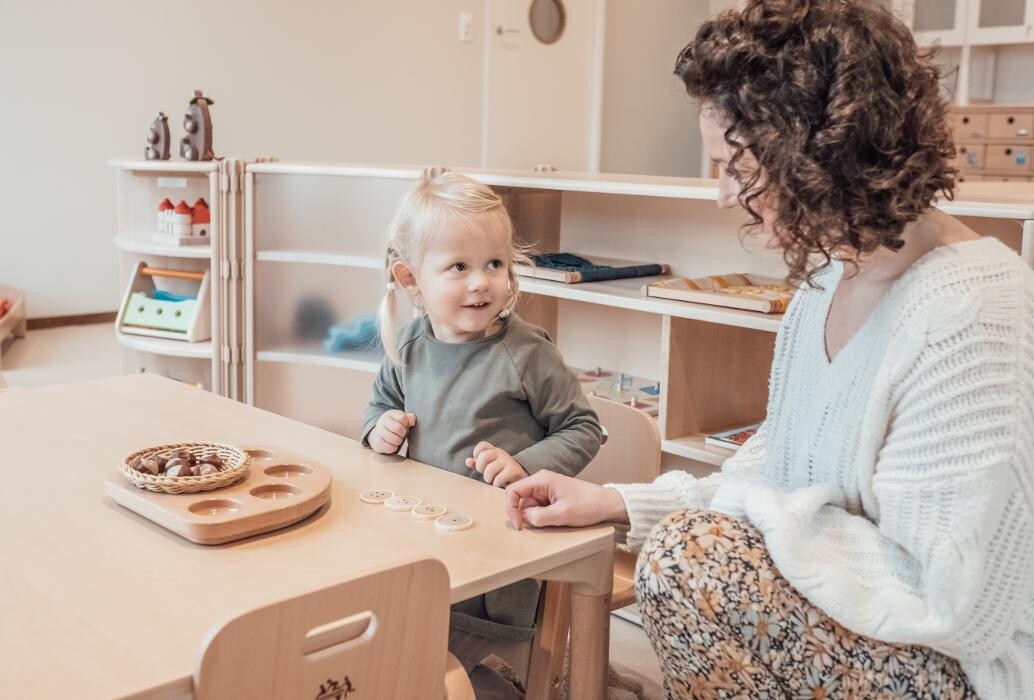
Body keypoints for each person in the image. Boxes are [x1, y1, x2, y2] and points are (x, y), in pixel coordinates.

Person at [506, 1, 1034, 697]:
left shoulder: (974, 310)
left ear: (815, 156)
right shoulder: (827, 281)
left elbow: (954, 601)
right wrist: (615, 503)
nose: (723, 197)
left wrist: (739, 522)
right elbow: (770, 475)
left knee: (686, 562)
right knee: (685, 554)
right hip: (855, 619)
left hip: (955, 660)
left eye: (736, 167)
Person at [362, 170, 603, 687]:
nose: (481, 282)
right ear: (411, 279)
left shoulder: (526, 351)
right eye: (459, 267)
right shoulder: (408, 345)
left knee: (465, 661)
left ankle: (493, 678)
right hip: (427, 536)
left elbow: (583, 427)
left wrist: (525, 467)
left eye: (495, 263)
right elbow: (380, 405)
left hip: (498, 550)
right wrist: (378, 428)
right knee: (400, 633)